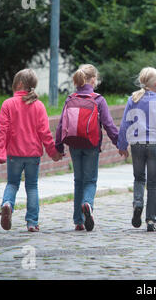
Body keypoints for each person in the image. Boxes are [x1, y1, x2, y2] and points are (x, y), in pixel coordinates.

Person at [0, 69, 62, 232]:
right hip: (33, 155)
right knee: (32, 186)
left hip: (14, 154)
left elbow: (1, 130)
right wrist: (53, 152)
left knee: (12, 183)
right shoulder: (38, 106)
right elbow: (44, 132)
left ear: (18, 84)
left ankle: (7, 204)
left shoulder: (8, 104)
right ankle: (32, 222)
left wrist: (0, 152)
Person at [55, 64, 119, 232]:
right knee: (90, 180)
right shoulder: (98, 100)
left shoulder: (70, 98)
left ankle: (78, 221)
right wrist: (119, 143)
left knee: (78, 181)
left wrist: (59, 146)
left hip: (74, 144)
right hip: (91, 145)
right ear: (92, 80)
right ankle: (87, 204)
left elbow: (62, 124)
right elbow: (109, 125)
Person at [117, 67, 156, 232]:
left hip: (137, 145)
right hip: (154, 145)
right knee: (153, 184)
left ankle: (138, 204)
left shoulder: (132, 99)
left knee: (139, 179)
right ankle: (151, 220)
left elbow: (125, 123)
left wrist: (122, 145)